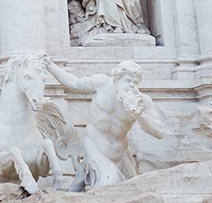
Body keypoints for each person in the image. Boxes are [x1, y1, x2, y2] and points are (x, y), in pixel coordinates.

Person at [46, 59, 165, 188]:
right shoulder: (101, 83)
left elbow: (159, 132)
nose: (132, 85)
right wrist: (50, 65)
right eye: (127, 80)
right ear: (116, 80)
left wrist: (138, 114)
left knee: (133, 189)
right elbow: (73, 83)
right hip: (95, 147)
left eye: (135, 82)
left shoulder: (142, 101)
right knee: (109, 185)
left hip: (122, 154)